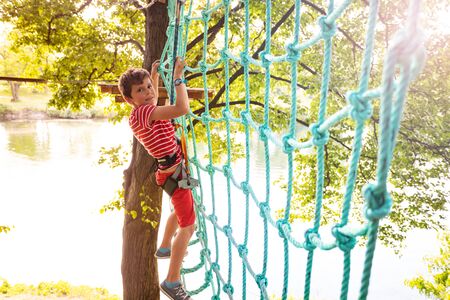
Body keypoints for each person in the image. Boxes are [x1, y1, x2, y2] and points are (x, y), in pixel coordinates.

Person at [118, 57, 195, 300]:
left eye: (149, 86)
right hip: (173, 171)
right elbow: (182, 109)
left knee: (179, 210)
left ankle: (164, 247)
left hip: (168, 171)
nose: (148, 92)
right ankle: (172, 281)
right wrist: (178, 78)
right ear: (129, 100)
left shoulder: (139, 113)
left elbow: (153, 97)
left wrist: (154, 76)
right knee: (188, 226)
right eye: (140, 90)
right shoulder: (146, 113)